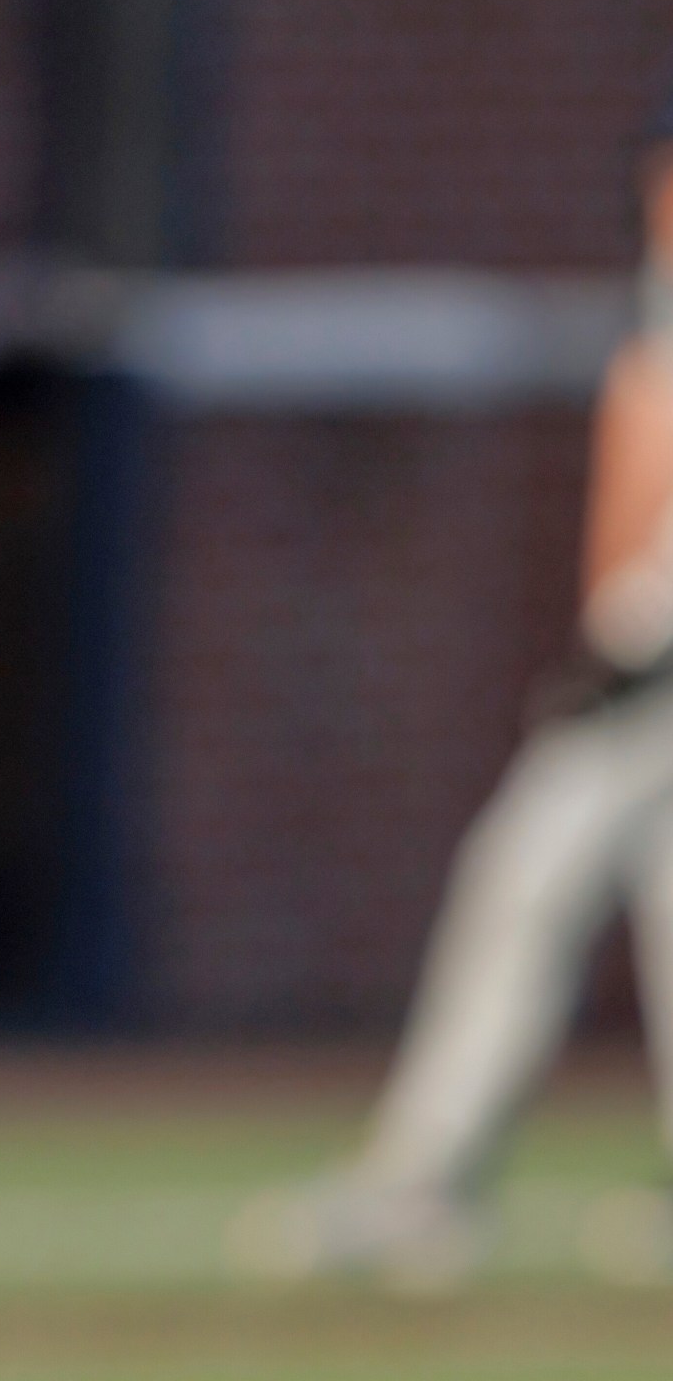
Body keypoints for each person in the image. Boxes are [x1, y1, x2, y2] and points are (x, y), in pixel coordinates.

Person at [230, 98, 673, 1291]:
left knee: (529, 889)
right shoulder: (654, 320)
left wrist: (632, 641)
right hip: (629, 690)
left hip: (651, 688)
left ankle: (421, 1185)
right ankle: (424, 1185)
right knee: (520, 893)